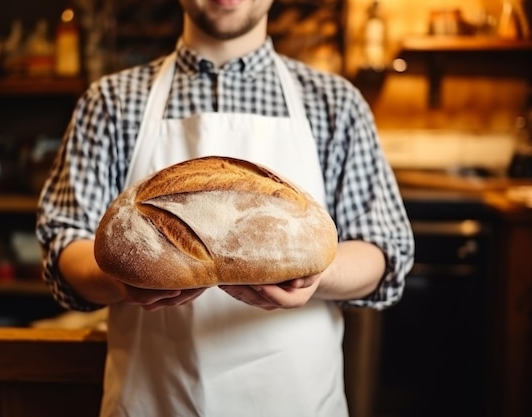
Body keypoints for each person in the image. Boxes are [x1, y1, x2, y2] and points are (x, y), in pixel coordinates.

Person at [36, 0, 414, 415]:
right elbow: (64, 245)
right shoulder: (111, 102)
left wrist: (314, 274)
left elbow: (383, 250)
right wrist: (120, 278)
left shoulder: (335, 104)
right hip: (155, 403)